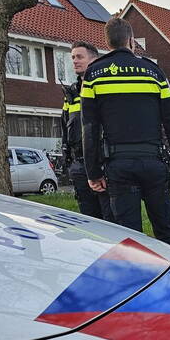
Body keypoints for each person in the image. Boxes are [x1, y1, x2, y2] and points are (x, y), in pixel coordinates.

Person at [81, 17, 170, 247]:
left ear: (108, 43)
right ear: (131, 40)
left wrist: (93, 172)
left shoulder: (93, 75)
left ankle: (138, 279)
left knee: (129, 240)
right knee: (166, 232)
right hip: (154, 163)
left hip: (119, 166)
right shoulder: (154, 73)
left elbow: (89, 128)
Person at [60, 41, 113, 221]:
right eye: (73, 57)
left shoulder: (104, 90)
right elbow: (65, 128)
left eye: (79, 57)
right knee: (89, 220)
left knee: (110, 218)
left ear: (94, 60)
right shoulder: (71, 94)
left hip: (102, 164)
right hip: (79, 166)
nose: (75, 61)